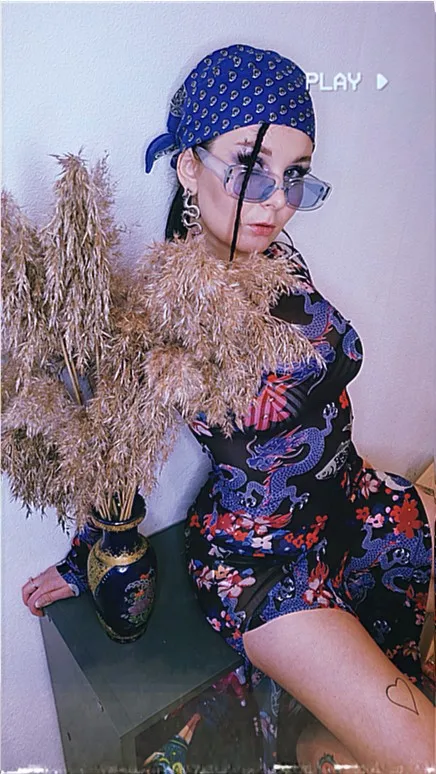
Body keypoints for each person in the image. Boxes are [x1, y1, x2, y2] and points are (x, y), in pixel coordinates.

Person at [22, 44, 435, 772]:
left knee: (393, 697)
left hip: (351, 505)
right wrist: (91, 551)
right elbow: (113, 441)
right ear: (189, 166)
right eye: (251, 168)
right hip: (262, 560)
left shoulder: (275, 253)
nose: (278, 200)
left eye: (296, 175)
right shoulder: (166, 309)